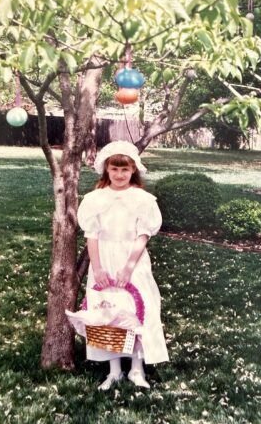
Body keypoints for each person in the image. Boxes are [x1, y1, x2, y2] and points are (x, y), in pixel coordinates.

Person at [75, 141, 169, 390]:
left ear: (133, 171)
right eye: (114, 169)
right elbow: (91, 235)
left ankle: (137, 369)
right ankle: (114, 369)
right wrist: (98, 269)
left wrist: (128, 267)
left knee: (138, 309)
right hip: (104, 259)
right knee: (109, 311)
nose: (119, 175)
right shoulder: (95, 199)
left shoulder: (143, 199)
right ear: (106, 169)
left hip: (133, 260)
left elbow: (143, 235)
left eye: (124, 170)